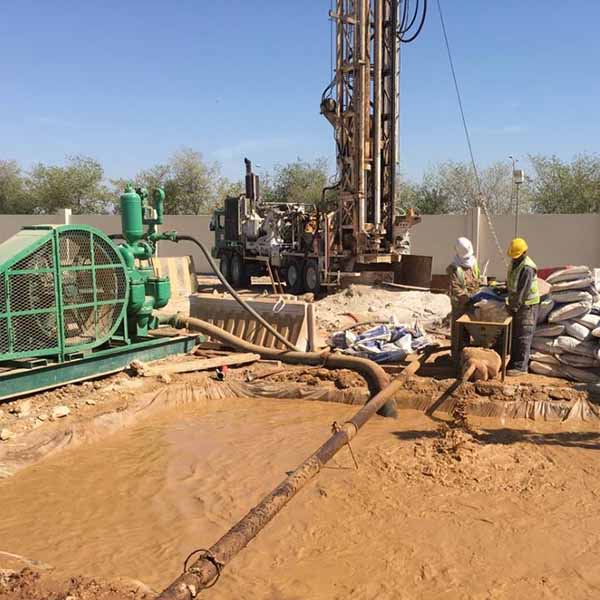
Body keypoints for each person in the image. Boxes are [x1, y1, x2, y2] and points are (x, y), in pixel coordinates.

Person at [505, 237, 540, 376]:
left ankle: (521, 367)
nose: (515, 258)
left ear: (525, 252)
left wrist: (513, 307)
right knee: (515, 335)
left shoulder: (527, 268)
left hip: (528, 305)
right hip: (518, 303)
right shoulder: (515, 262)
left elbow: (523, 292)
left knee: (523, 335)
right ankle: (513, 362)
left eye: (518, 256)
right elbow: (513, 282)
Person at [447, 237, 481, 360]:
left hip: (473, 302)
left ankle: (468, 353)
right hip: (460, 305)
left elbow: (477, 279)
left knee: (470, 329)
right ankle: (457, 357)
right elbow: (455, 288)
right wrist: (466, 297)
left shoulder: (473, 262)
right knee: (459, 332)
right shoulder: (454, 268)